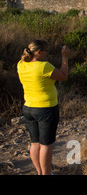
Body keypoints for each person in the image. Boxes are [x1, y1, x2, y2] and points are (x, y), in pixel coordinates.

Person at [17, 40, 70, 175]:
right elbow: (63, 76)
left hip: (28, 108)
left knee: (35, 143)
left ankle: (40, 172)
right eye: (46, 51)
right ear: (39, 52)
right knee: (46, 144)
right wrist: (65, 57)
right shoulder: (44, 67)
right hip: (46, 108)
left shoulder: (21, 64)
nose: (47, 54)